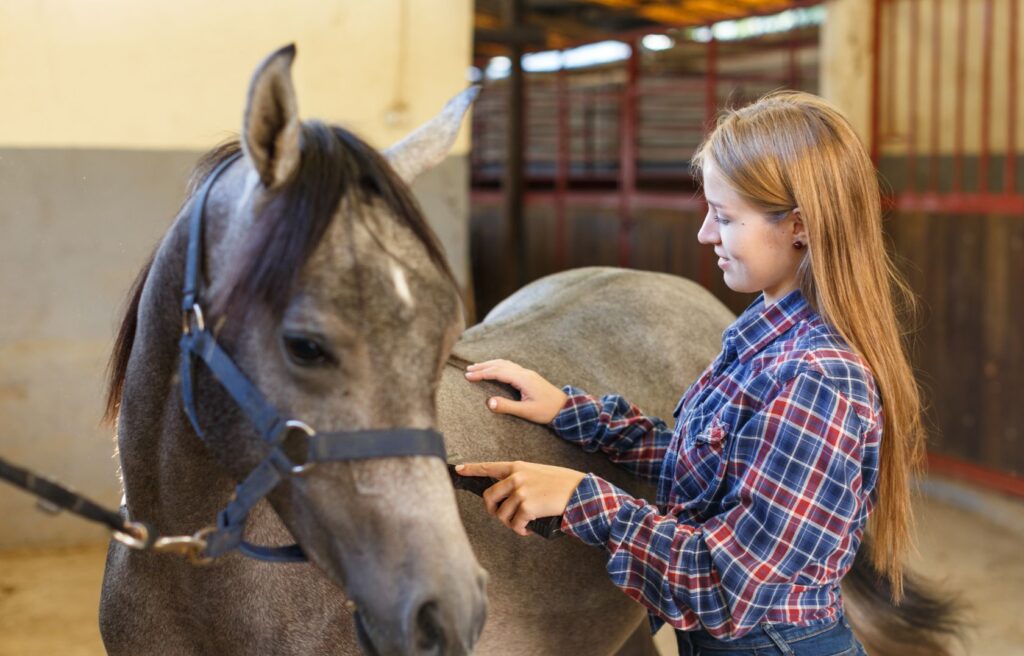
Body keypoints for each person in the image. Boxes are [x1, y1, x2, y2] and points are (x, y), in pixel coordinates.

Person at [456, 91, 926, 655]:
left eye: (725, 217)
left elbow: (728, 587)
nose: (706, 234)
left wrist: (582, 497)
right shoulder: (767, 339)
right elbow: (707, 462)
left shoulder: (817, 376)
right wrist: (568, 412)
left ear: (799, 227)